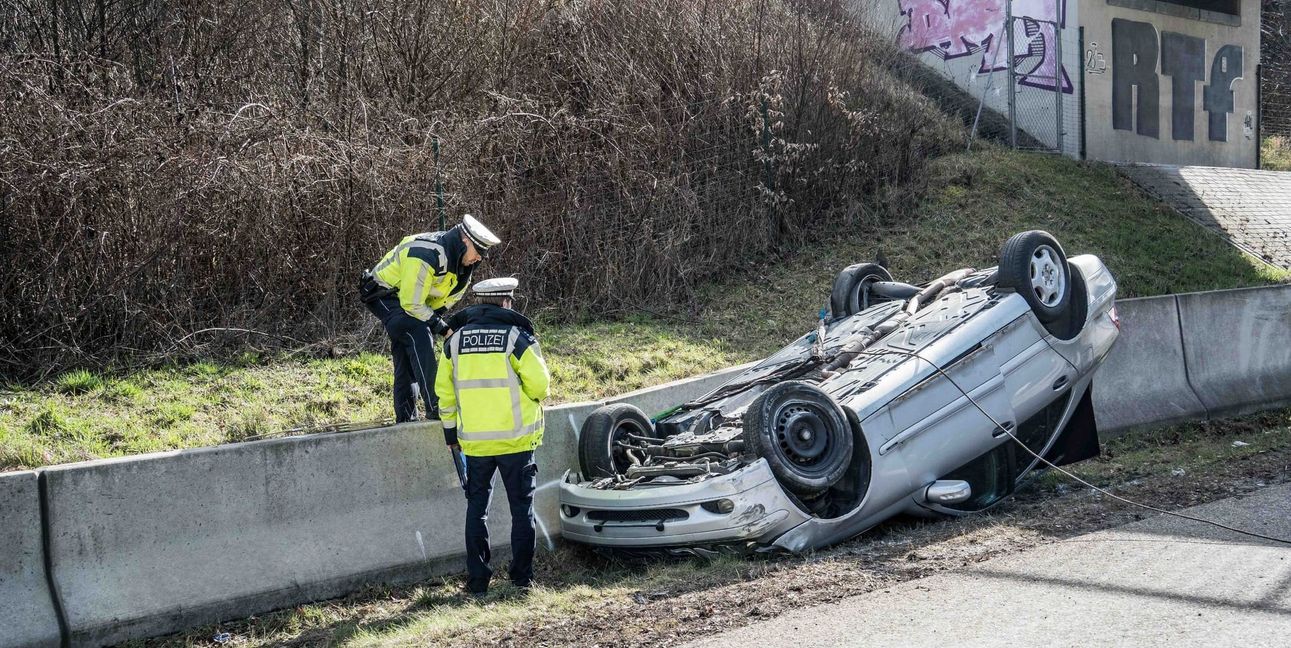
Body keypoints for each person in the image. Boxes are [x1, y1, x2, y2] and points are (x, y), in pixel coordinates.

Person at [435, 277, 550, 596]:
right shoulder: (516, 337)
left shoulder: (454, 342)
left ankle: (477, 582)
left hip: (475, 444)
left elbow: (443, 394)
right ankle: (522, 579)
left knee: (477, 509)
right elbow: (540, 386)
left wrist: (450, 433)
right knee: (521, 510)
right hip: (516, 441)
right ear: (505, 302)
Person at [358, 215, 500, 422]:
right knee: (417, 332)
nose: (479, 258)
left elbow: (442, 303)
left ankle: (406, 420)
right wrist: (441, 328)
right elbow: (411, 303)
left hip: (411, 301)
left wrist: (442, 323)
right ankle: (437, 406)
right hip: (384, 294)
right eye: (478, 252)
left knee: (407, 352)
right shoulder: (425, 254)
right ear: (465, 241)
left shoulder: (463, 266)